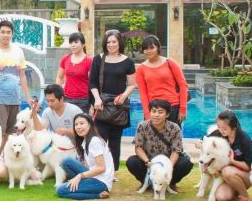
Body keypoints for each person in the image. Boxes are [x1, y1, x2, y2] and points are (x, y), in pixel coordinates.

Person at [88, 29, 136, 172]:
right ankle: (99, 169)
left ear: (119, 42)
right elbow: (92, 82)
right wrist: (97, 99)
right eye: (108, 42)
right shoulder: (98, 59)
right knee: (100, 140)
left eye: (114, 42)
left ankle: (112, 172)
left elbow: (132, 84)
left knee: (115, 142)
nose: (111, 44)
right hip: (101, 106)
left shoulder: (128, 62)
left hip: (118, 107)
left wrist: (124, 96)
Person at [126, 99, 193, 190]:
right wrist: (147, 162)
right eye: (153, 111)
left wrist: (169, 166)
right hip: (149, 161)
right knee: (132, 162)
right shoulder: (143, 126)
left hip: (168, 161)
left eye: (160, 112)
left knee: (186, 163)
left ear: (167, 114)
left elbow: (176, 151)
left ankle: (170, 183)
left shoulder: (174, 128)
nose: (156, 115)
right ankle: (146, 182)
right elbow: (138, 147)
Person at [0, 20, 32, 148]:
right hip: (0, 100)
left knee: (12, 133)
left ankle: (5, 156)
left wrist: (28, 98)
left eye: (8, 32)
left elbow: (22, 76)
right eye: (3, 32)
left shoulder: (19, 51)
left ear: (12, 34)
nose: (5, 35)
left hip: (15, 99)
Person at [199, 110, 252, 201]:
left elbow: (248, 167)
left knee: (226, 171)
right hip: (228, 176)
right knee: (222, 197)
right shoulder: (219, 133)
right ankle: (235, 189)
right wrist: (200, 144)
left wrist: (232, 161)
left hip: (246, 175)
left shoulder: (245, 140)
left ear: (234, 127)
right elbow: (204, 140)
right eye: (219, 127)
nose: (221, 130)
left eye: (224, 128)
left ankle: (245, 197)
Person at [135, 35, 189, 126]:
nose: (148, 51)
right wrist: (147, 114)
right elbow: (143, 93)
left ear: (158, 48)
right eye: (145, 49)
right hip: (153, 110)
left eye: (152, 48)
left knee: (173, 135)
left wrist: (183, 109)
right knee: (152, 135)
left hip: (172, 108)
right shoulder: (141, 69)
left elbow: (183, 86)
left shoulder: (170, 63)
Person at [56, 114, 112, 200]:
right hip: (93, 176)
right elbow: (88, 165)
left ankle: (98, 195)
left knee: (60, 190)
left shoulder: (94, 141)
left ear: (90, 125)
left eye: (82, 123)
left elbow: (101, 168)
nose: (78, 127)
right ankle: (82, 185)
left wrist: (80, 176)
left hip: (101, 182)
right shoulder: (85, 140)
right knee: (66, 161)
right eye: (76, 124)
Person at [56, 31, 92, 112]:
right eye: (71, 42)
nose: (73, 45)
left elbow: (92, 82)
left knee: (81, 120)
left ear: (83, 44)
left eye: (76, 42)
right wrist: (59, 93)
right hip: (66, 98)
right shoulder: (65, 59)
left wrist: (93, 102)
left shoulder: (89, 61)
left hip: (83, 100)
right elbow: (59, 77)